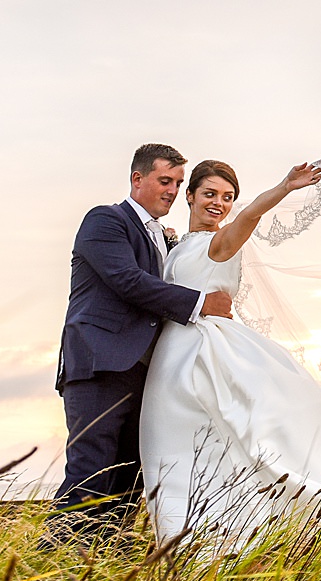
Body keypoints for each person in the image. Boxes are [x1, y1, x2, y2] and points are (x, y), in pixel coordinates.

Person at [138, 158, 321, 550]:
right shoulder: (175, 244)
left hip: (204, 355)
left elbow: (247, 220)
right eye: (209, 194)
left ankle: (218, 544)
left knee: (218, 446)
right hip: (171, 360)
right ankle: (190, 546)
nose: (219, 204)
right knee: (181, 453)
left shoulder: (220, 243)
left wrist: (284, 188)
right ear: (189, 196)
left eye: (227, 197)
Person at [42, 143, 234, 545]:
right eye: (165, 180)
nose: (171, 190)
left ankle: (103, 566)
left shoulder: (166, 240)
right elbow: (128, 281)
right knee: (90, 472)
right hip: (101, 366)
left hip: (146, 376)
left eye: (178, 183)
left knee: (128, 484)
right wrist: (200, 303)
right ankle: (51, 565)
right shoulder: (105, 221)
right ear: (138, 179)